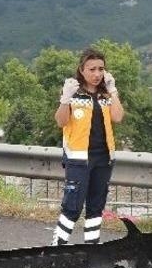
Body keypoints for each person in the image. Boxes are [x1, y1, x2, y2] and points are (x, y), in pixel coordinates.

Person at [51, 48, 124, 245]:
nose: (97, 74)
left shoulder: (105, 95)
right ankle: (58, 245)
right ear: (82, 70)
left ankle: (92, 247)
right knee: (72, 206)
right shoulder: (74, 92)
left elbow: (118, 117)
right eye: (92, 69)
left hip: (103, 158)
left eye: (101, 69)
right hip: (78, 159)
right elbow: (60, 121)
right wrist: (65, 99)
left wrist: (113, 90)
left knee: (96, 206)